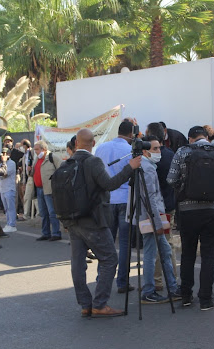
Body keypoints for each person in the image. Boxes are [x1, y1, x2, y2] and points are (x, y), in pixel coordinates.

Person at [63, 128, 142, 318]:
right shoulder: (93, 162)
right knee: (109, 259)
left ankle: (85, 304)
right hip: (93, 219)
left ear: (76, 144)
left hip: (73, 220)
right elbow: (110, 184)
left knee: (78, 263)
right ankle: (99, 304)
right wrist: (129, 167)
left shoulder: (67, 163)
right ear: (93, 143)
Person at [167, 126, 214, 311]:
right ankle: (206, 299)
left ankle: (185, 295)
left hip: (187, 211)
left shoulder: (182, 152)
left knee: (188, 253)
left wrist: (186, 187)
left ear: (190, 138)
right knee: (208, 256)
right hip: (213, 210)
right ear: (207, 137)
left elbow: (171, 179)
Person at [127, 135, 181, 304]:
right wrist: (157, 223)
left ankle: (171, 287)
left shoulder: (145, 166)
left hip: (148, 216)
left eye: (159, 148)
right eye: (155, 149)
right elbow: (150, 198)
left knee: (164, 251)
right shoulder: (147, 168)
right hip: (150, 218)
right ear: (145, 152)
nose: (159, 152)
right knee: (153, 254)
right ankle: (150, 290)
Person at [94, 121, 135, 293]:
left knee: (106, 242)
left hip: (106, 199)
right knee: (125, 243)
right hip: (125, 198)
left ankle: (101, 279)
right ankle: (122, 282)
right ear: (131, 134)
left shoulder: (101, 148)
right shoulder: (130, 150)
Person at [146, 123, 177, 291]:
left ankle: (157, 281)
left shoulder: (147, 161)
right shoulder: (171, 155)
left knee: (156, 246)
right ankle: (171, 280)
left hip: (155, 208)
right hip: (168, 205)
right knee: (166, 243)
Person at [32, 140, 63, 241]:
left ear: (44, 149)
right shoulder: (37, 159)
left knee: (52, 212)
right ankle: (46, 233)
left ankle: (56, 233)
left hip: (49, 190)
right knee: (43, 213)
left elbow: (62, 169)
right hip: (39, 189)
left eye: (37, 149)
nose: (35, 151)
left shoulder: (52, 157)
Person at [0, 150, 18, 233]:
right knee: (6, 208)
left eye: (5, 154)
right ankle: (8, 223)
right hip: (2, 188)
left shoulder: (12, 163)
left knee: (11, 208)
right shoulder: (0, 164)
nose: (3, 155)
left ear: (9, 154)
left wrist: (3, 162)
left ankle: (12, 224)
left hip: (9, 188)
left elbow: (4, 174)